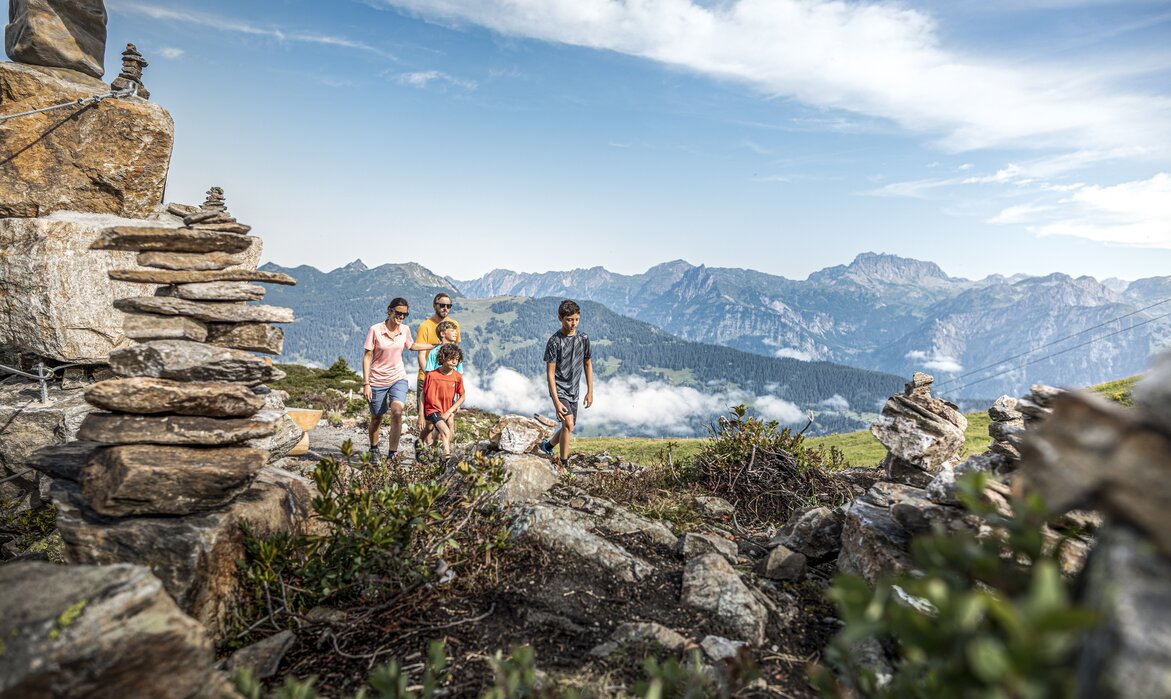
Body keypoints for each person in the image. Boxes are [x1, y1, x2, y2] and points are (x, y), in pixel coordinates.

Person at [362, 297, 434, 461]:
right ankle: (374, 449)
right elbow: (367, 357)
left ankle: (392, 454)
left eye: (404, 314)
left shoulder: (405, 330)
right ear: (389, 311)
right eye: (398, 313)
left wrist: (432, 346)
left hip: (398, 377)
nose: (401, 317)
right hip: (377, 380)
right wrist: (366, 383)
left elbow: (411, 346)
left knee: (397, 412)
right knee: (376, 418)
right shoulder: (375, 330)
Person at [539, 299, 594, 467]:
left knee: (569, 427)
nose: (573, 323)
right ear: (560, 318)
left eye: (576, 319)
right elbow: (550, 373)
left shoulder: (583, 338)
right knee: (568, 423)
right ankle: (564, 464)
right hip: (559, 389)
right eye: (569, 320)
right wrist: (556, 402)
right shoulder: (554, 341)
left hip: (574, 390)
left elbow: (587, 363)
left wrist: (590, 391)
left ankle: (547, 446)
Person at [415, 293, 461, 434]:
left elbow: (455, 353)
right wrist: (431, 377)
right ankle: (424, 446)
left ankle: (444, 446)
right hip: (427, 377)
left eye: (449, 306)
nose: (445, 308)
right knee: (429, 423)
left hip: (448, 381)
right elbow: (421, 354)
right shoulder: (425, 326)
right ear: (435, 305)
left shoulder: (454, 326)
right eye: (442, 305)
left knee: (447, 419)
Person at [419, 344, 466, 456]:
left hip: (446, 409)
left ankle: (427, 447)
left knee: (431, 429)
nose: (454, 362)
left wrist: (450, 411)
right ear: (443, 358)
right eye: (451, 358)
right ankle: (446, 457)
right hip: (432, 409)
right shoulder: (432, 375)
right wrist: (421, 415)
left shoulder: (457, 377)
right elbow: (423, 394)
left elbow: (462, 396)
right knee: (445, 431)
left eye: (457, 359)